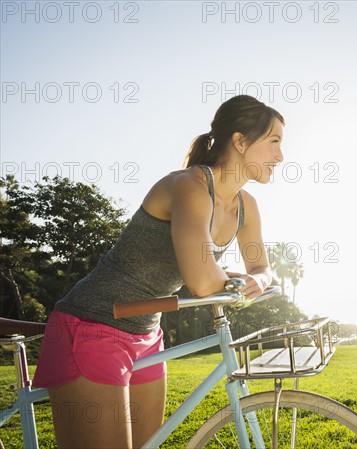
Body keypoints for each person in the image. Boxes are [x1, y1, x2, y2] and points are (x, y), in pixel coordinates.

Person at [32, 95, 285, 449]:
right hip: (92, 326)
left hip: (146, 335)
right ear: (240, 142)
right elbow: (200, 281)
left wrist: (256, 279)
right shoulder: (191, 187)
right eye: (274, 142)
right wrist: (237, 283)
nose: (280, 157)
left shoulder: (247, 206)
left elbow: (261, 268)